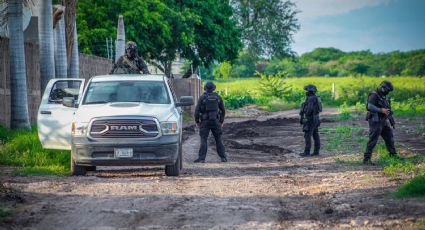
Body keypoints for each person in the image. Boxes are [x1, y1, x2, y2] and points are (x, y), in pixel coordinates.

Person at [363, 80, 397, 165]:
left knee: (389, 138)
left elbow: (388, 110)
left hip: (384, 121)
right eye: (387, 90)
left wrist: (391, 121)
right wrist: (381, 110)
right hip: (375, 121)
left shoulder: (384, 97)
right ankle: (367, 159)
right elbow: (369, 106)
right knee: (373, 140)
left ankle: (393, 155)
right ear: (383, 88)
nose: (388, 92)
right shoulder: (374, 95)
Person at [194, 82, 227, 163]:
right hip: (216, 121)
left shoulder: (202, 98)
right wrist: (221, 121)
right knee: (218, 139)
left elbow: (196, 111)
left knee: (203, 140)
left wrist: (197, 121)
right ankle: (223, 158)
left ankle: (201, 159)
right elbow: (223, 110)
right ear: (214, 88)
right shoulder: (218, 97)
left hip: (205, 122)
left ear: (205, 88)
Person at [299, 84, 322, 157]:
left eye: (307, 90)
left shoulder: (311, 98)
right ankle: (316, 152)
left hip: (310, 119)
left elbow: (309, 110)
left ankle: (307, 152)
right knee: (315, 135)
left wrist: (304, 112)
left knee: (307, 136)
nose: (306, 92)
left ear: (310, 91)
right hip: (316, 119)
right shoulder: (316, 98)